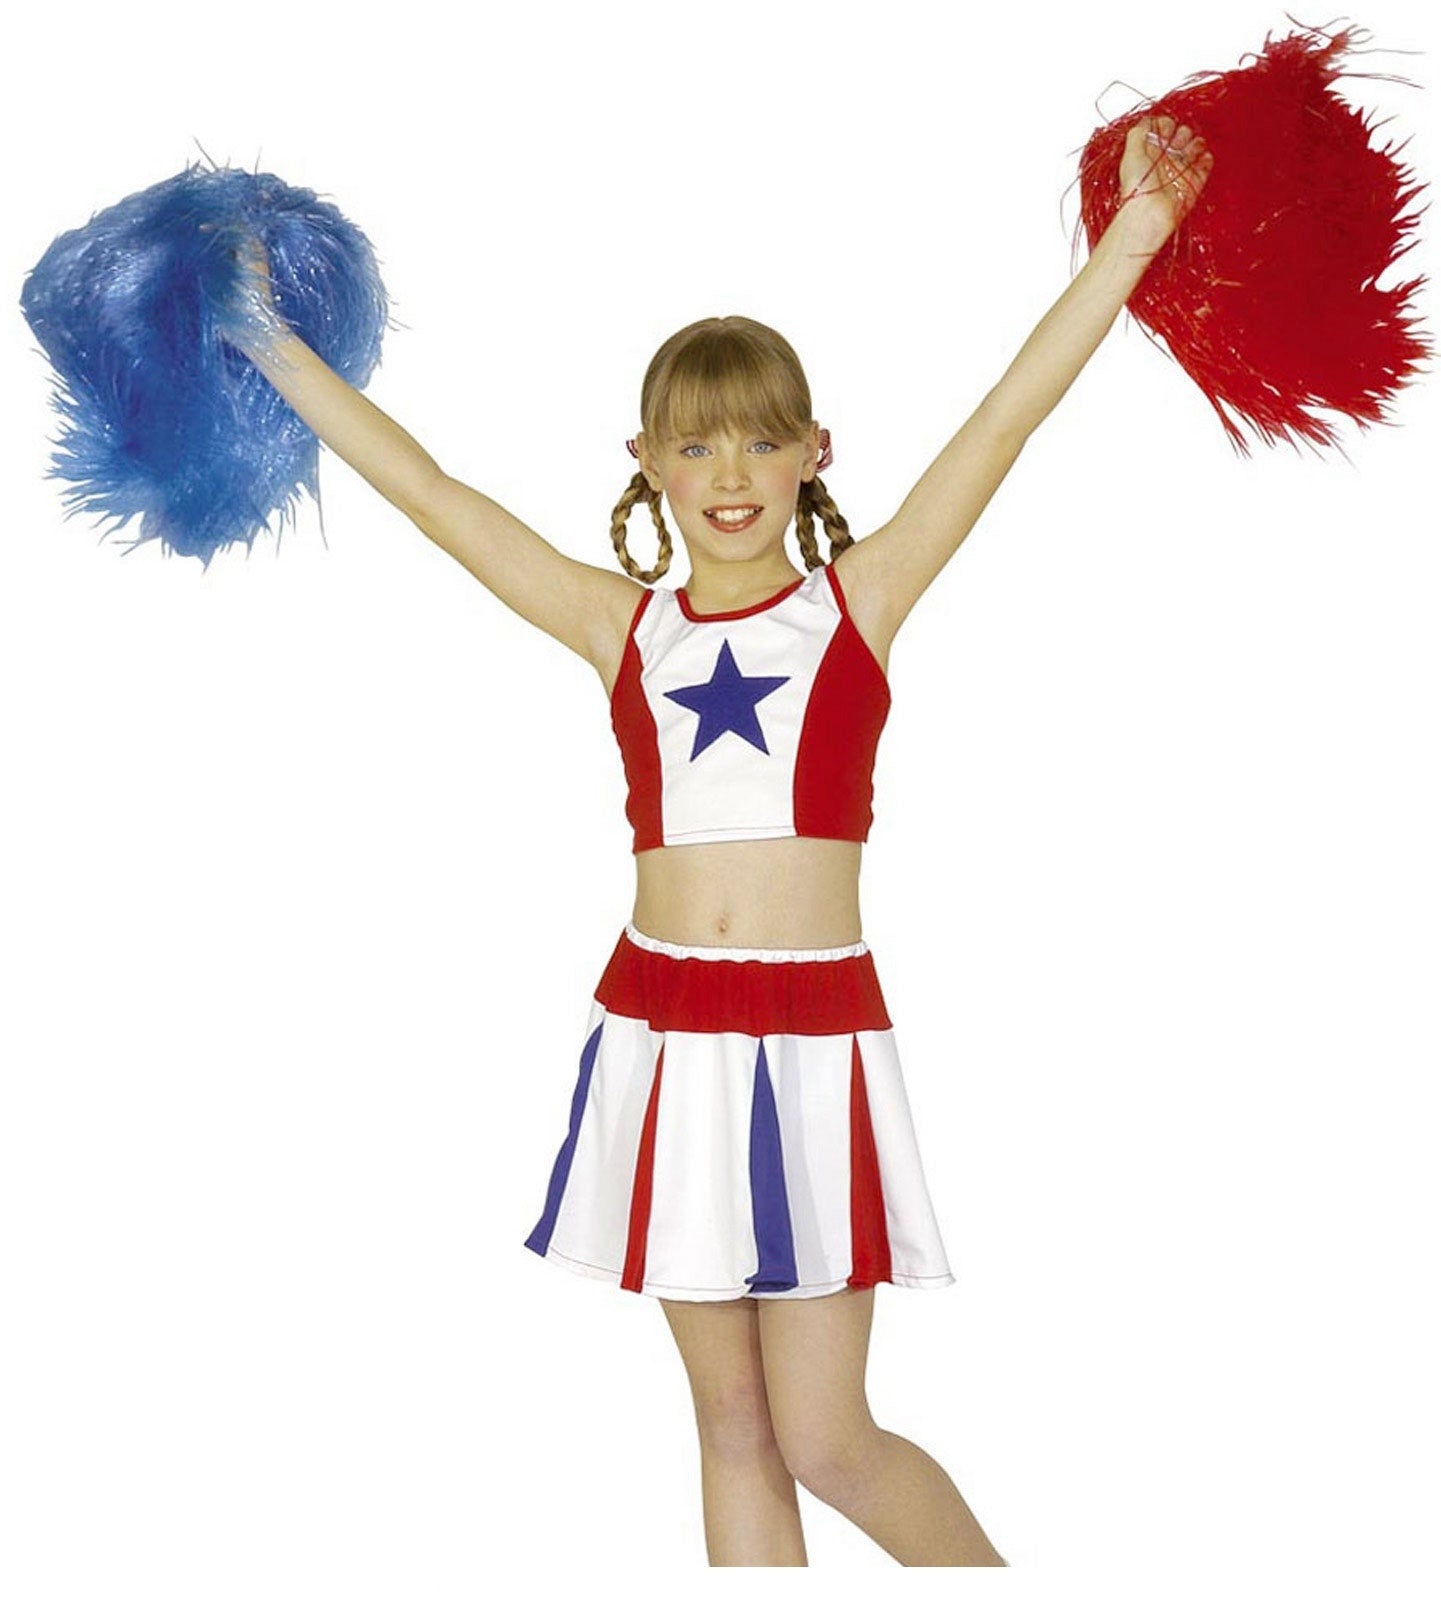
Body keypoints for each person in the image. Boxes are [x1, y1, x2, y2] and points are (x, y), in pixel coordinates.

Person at [219, 114, 1212, 1568]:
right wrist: (265, 339)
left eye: (759, 438)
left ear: (815, 453)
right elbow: (432, 493)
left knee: (829, 1436)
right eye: (694, 443)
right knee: (733, 1429)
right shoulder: (618, 626)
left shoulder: (857, 604)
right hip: (667, 1029)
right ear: (646, 462)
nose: (729, 470)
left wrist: (1136, 232)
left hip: (814, 1036)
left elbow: (1005, 415)